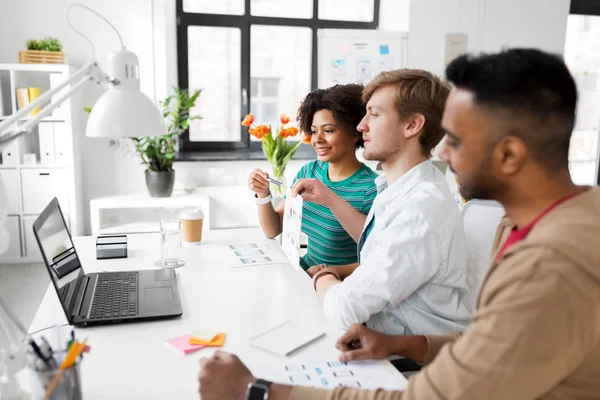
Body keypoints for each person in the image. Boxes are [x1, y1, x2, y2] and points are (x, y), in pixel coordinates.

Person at [198, 49, 600, 399]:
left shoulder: (551, 264)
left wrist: (256, 392)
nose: (441, 148)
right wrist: (402, 343)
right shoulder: (522, 223)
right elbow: (491, 345)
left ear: (509, 154)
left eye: (456, 140)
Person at [292, 69, 472, 336]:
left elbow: (344, 310)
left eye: (374, 114)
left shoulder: (421, 209)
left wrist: (323, 276)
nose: (361, 125)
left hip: (406, 362)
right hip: (380, 335)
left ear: (412, 125)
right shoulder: (393, 189)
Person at [248, 84, 378, 271]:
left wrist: (327, 273)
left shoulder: (370, 188)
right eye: (314, 131)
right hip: (303, 273)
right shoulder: (309, 172)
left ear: (354, 133)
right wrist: (263, 194)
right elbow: (273, 229)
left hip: (337, 285)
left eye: (328, 130)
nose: (317, 139)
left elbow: (375, 256)